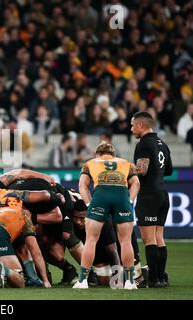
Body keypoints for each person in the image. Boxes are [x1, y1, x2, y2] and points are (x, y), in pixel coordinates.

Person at [72, 142, 140, 290]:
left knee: (91, 239)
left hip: (100, 195)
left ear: (97, 155)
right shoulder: (126, 163)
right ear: (113, 155)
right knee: (125, 240)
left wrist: (89, 203)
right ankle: (129, 282)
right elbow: (136, 183)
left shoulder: (90, 163)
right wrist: (129, 200)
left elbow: (82, 185)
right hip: (121, 194)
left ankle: (83, 281)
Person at [131, 111, 173, 288]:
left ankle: (154, 279)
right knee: (159, 238)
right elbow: (169, 170)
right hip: (163, 194)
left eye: (133, 125)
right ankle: (161, 277)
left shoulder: (144, 144)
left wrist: (126, 168)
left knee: (149, 240)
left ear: (141, 125)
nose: (131, 128)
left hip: (149, 195)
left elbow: (142, 170)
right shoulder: (162, 143)